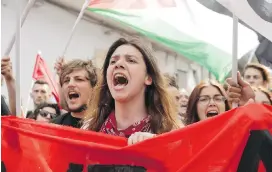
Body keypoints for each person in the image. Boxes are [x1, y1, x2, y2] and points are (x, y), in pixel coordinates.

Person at [82, 38, 182, 145]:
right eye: (113, 61)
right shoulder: (90, 129)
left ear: (148, 77)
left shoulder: (171, 132)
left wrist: (159, 144)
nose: (118, 64)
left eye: (131, 60)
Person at [51, 59, 98, 128]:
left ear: (93, 88)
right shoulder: (53, 126)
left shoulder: (105, 128)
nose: (70, 84)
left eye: (79, 79)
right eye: (66, 80)